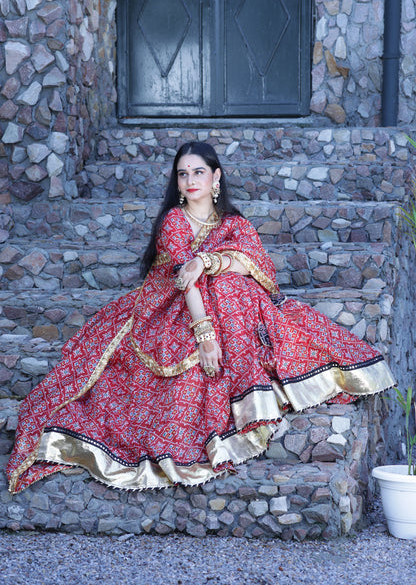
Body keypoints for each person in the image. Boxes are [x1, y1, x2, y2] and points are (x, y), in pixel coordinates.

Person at [7, 142, 396, 494]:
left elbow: (254, 266)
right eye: (183, 173)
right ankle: (245, 388)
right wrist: (205, 335)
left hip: (225, 310)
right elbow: (184, 281)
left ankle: (251, 380)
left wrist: (209, 260)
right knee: (223, 290)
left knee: (233, 287)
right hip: (170, 308)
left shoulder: (233, 224)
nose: (190, 180)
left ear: (216, 177)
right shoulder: (174, 222)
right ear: (176, 182)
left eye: (198, 171)